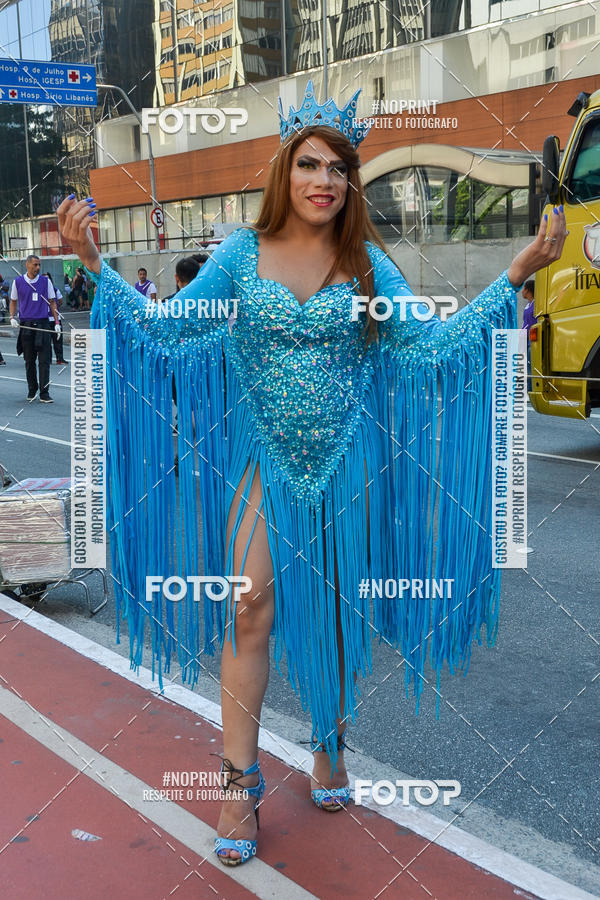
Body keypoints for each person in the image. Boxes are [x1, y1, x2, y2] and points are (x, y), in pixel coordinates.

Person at [57, 80, 567, 868]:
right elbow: (163, 335)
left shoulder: (368, 265)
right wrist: (97, 265)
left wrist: (517, 272)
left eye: (339, 168)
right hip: (264, 458)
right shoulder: (239, 255)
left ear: (351, 182)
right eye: (310, 164)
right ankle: (238, 782)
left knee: (331, 610)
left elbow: (431, 349)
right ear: (285, 173)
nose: (325, 180)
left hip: (348, 465)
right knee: (250, 608)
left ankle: (329, 737)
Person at [9, 254, 61, 403]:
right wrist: (12, 317)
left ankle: (44, 393)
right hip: (26, 325)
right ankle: (32, 390)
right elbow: (13, 301)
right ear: (27, 265)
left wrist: (56, 323)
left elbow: (52, 302)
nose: (38, 268)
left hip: (43, 323)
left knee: (44, 360)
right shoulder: (18, 282)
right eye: (35, 265)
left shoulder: (46, 282)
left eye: (39, 265)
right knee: (29, 360)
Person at [43, 273, 69, 365]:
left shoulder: (55, 290)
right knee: (46, 341)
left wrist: (55, 309)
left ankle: (60, 358)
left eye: (48, 279)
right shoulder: (40, 291)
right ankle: (48, 359)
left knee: (58, 339)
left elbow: (60, 301)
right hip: (45, 319)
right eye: (45, 279)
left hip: (55, 319)